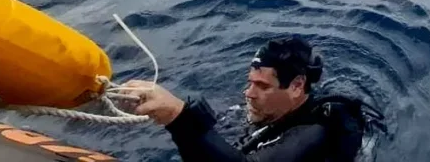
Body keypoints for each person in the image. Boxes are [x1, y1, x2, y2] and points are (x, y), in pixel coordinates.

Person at [123, 37, 385, 162]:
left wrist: (178, 117)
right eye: (249, 82)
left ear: (296, 86)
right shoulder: (268, 111)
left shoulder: (312, 135)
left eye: (262, 86)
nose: (248, 93)